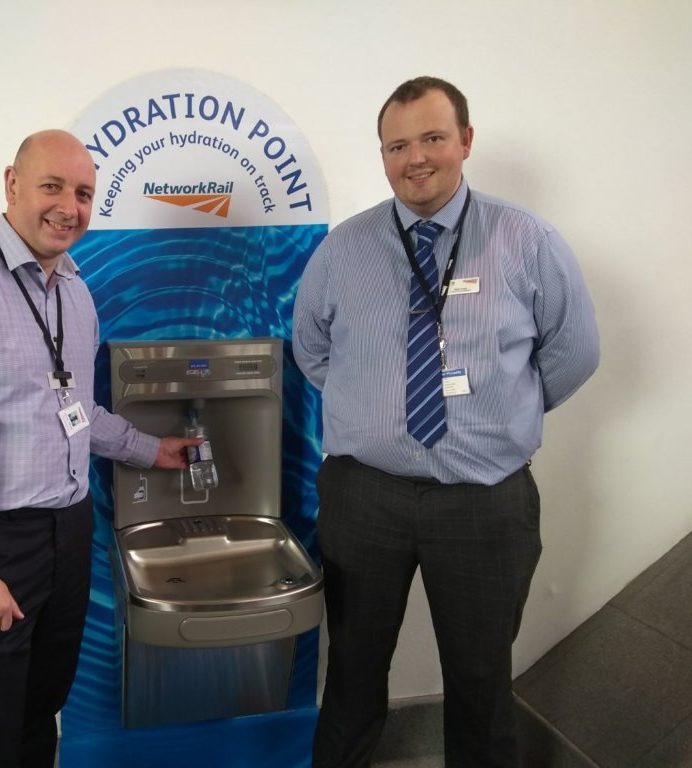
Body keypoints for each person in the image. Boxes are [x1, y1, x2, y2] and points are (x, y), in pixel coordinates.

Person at [292, 77, 599, 767]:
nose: (416, 158)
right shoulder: (345, 248)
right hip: (364, 495)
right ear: (383, 155)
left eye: (432, 138)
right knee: (352, 670)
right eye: (398, 145)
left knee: (481, 679)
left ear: (465, 140)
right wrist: (377, 411)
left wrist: (499, 411)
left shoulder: (526, 241)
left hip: (485, 499)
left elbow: (574, 353)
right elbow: (311, 348)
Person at [0, 129, 201, 768]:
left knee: (39, 713)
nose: (69, 207)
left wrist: (150, 449)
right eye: (52, 186)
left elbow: (76, 413)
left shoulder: (76, 294)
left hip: (66, 532)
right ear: (11, 185)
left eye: (84, 193)